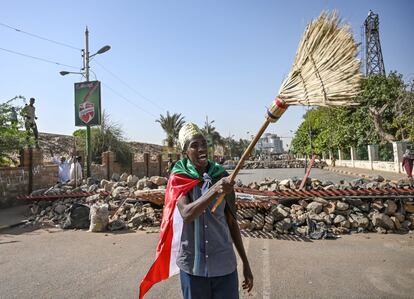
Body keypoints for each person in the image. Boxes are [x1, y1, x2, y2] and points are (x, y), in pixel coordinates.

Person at [139, 123, 253, 299]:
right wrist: (215, 189)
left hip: (224, 266)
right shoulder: (179, 178)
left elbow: (231, 222)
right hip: (193, 268)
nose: (201, 149)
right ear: (185, 152)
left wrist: (245, 263)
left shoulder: (221, 176)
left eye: (204, 144)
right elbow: (187, 214)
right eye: (194, 145)